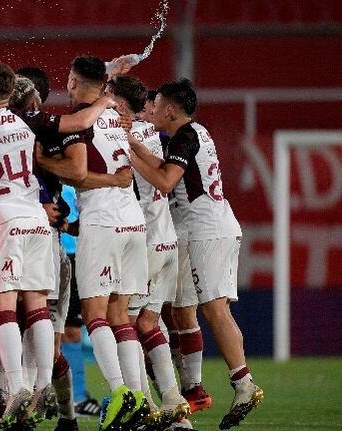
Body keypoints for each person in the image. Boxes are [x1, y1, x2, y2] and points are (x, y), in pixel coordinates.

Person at [128, 78, 263, 430]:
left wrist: (127, 155)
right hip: (205, 228)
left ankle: (243, 383)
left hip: (207, 232)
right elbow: (164, 166)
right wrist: (131, 145)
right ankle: (193, 392)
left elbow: (165, 181)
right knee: (182, 309)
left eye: (156, 106)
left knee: (214, 307)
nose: (151, 110)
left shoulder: (185, 136)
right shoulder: (192, 134)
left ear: (170, 110)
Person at [35, 56, 149, 431]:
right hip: (134, 223)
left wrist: (43, 161)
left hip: (105, 224)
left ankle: (119, 394)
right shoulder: (115, 117)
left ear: (70, 81)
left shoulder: (78, 121)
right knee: (121, 315)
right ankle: (139, 396)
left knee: (95, 314)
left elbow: (79, 173)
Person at [0, 61, 58, 430]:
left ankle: (17, 385)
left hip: (2, 219)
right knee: (37, 303)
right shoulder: (24, 124)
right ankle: (44, 382)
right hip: (36, 217)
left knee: (4, 306)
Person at [106, 76, 191, 428]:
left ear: (121, 107)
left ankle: (145, 408)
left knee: (123, 323)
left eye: (110, 99)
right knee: (147, 323)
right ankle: (174, 405)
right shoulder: (150, 133)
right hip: (166, 239)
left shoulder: (119, 135)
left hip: (145, 243)